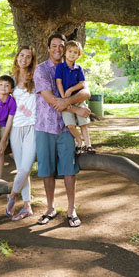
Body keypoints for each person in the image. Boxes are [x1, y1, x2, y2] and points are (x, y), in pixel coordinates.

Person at [33, 33, 90, 228]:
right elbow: (51, 100)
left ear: (66, 49)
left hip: (66, 127)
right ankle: (50, 208)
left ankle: (71, 209)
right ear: (48, 48)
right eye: (54, 46)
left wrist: (68, 101)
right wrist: (76, 107)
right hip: (45, 126)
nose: (58, 49)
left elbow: (86, 91)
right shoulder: (41, 70)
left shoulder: (73, 67)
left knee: (69, 170)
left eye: (61, 46)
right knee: (47, 170)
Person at [4, 46, 37, 221]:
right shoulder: (10, 79)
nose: (24, 59)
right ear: (17, 57)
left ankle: (12, 196)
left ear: (32, 60)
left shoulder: (35, 78)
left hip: (32, 126)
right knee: (22, 170)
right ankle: (27, 206)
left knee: (26, 167)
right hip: (15, 128)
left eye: (28, 57)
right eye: (21, 55)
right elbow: (0, 104)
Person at [55, 39, 94, 155]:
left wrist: (71, 90)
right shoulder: (60, 67)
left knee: (83, 124)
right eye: (70, 51)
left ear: (79, 55)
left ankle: (88, 145)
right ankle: (79, 142)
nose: (72, 54)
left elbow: (82, 84)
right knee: (70, 125)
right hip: (65, 101)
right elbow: (58, 83)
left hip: (78, 99)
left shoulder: (79, 68)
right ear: (65, 52)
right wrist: (64, 99)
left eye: (75, 52)